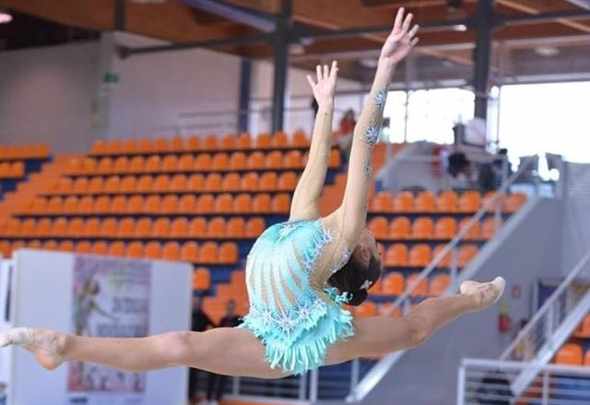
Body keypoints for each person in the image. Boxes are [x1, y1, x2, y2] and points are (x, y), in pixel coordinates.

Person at [0, 8, 504, 380]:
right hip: (266, 333)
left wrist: (384, 72)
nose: (372, 232)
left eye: (373, 243)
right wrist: (325, 109)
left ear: (359, 252)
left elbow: (363, 153)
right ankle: (62, 344)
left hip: (287, 349)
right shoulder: (302, 227)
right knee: (177, 344)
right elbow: (316, 164)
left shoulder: (337, 236)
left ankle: (472, 300)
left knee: (413, 330)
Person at [205, 300, 241, 405]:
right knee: (212, 374)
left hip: (230, 353)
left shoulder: (238, 319)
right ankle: (208, 399)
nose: (230, 309)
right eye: (228, 307)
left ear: (234, 308)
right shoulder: (223, 319)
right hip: (219, 352)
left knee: (223, 377)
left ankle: (216, 399)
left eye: (231, 307)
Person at [189, 296, 215, 404]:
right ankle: (187, 397)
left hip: (197, 351)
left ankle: (191, 397)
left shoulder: (204, 316)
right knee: (188, 376)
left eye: (198, 302)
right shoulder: (188, 314)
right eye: (195, 302)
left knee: (194, 376)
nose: (196, 304)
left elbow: (215, 327)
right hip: (187, 349)